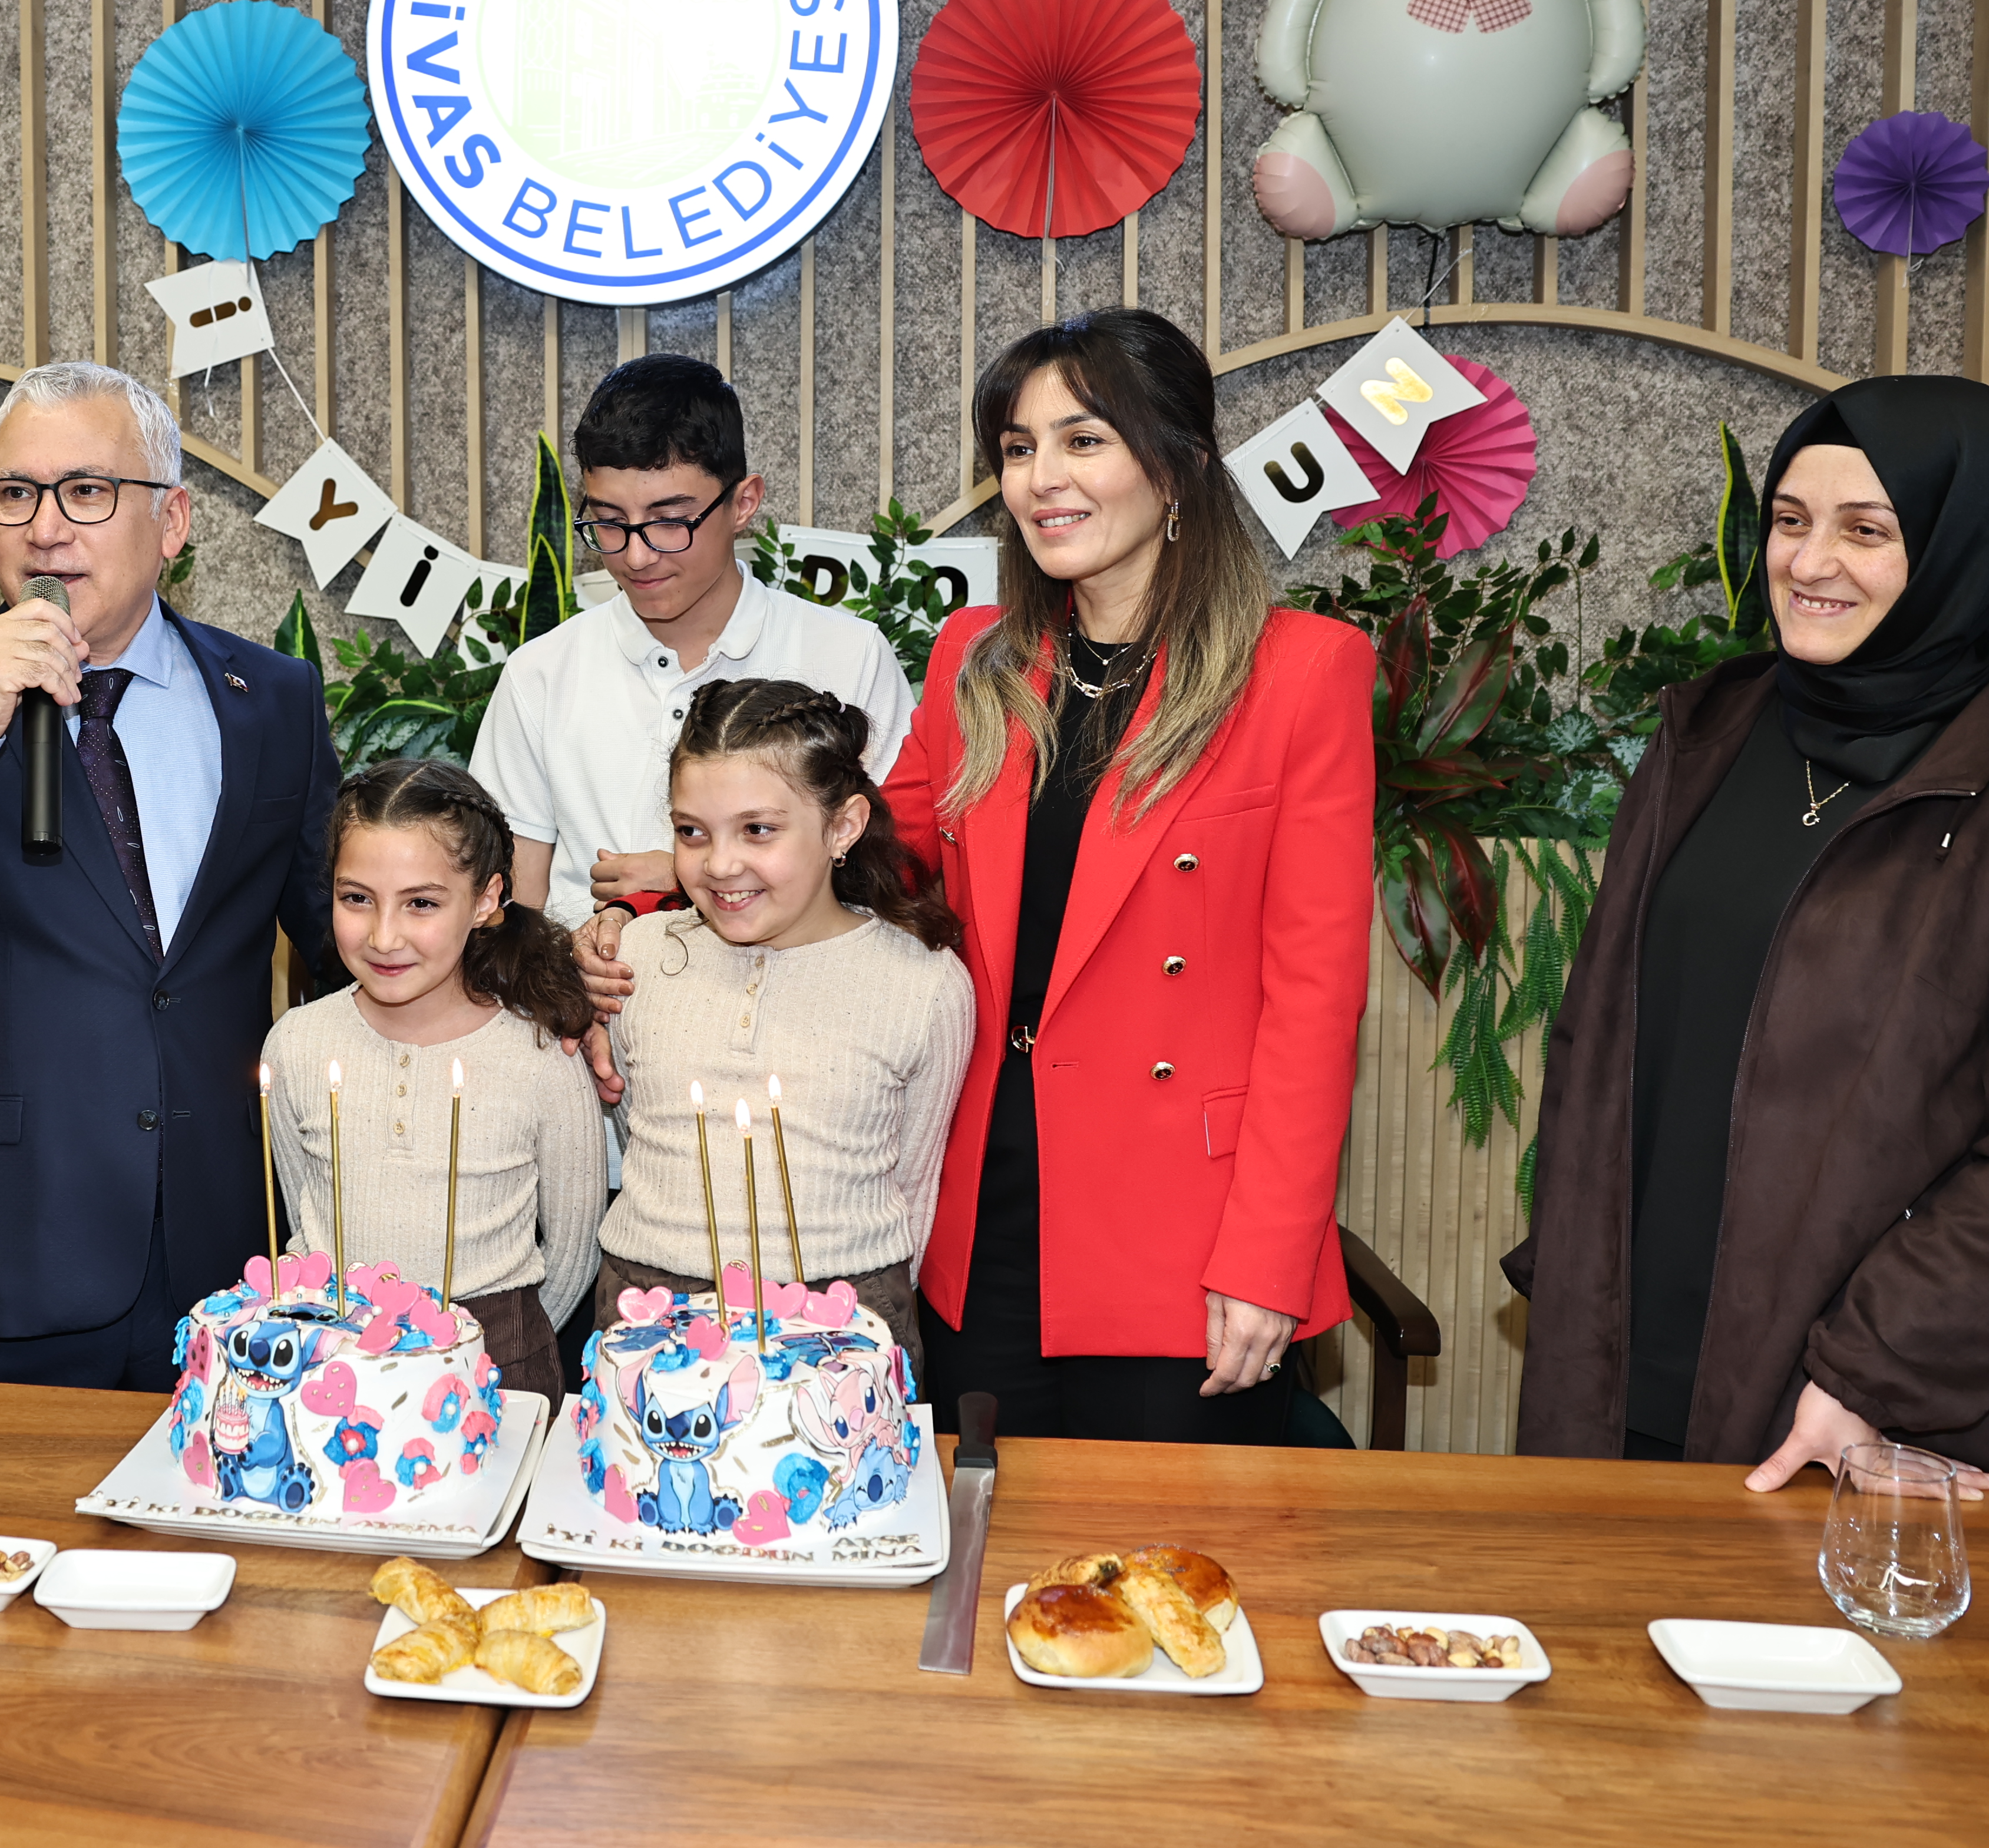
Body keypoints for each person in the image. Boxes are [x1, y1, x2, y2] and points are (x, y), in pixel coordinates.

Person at [1511, 376, 1989, 1489]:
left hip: (1855, 1411)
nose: (1810, 565)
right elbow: (1597, 1043)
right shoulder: (1707, 728)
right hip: (1617, 1376)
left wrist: (1873, 1372)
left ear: (1966, 543)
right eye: (1791, 520)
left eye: (1868, 530)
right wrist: (1578, 1280)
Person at [0, 360, 338, 1390]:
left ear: (172, 521)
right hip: (6, 1254)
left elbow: (342, 950)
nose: (46, 528)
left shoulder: (271, 698)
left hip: (228, 1257)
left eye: (86, 491)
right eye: (14, 495)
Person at [884, 309, 1376, 1443]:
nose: (1041, 478)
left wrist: (1267, 1258)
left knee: (1170, 1578)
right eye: (1017, 448)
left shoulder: (1302, 674)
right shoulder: (979, 660)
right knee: (983, 1545)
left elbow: (1314, 1004)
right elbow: (872, 852)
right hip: (992, 1209)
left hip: (1188, 1231)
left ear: (1179, 466)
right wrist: (676, 886)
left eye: (1083, 440)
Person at [587, 680, 974, 1379]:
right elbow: (634, 1120)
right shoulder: (640, 956)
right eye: (690, 831)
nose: (720, 864)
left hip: (844, 1311)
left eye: (758, 829)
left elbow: (917, 1183)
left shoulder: (923, 983)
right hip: (646, 1298)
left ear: (843, 826)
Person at [473, 355, 912, 954]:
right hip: (583, 1026)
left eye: (669, 521)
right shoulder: (541, 674)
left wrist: (690, 875)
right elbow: (501, 909)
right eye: (609, 522)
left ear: (744, 503)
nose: (637, 556)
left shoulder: (847, 655)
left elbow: (897, 869)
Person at [260, 759, 606, 1406]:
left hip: (500, 1365)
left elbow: (573, 1252)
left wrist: (500, 1340)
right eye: (356, 898)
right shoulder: (298, 1044)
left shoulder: (540, 1055)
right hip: (336, 1365)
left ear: (485, 900)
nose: (384, 935)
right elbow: (303, 1210)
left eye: (421, 903)